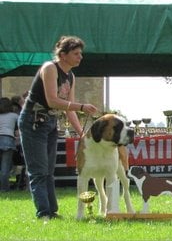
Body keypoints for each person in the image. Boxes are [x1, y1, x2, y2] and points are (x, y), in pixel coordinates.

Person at [18, 36, 98, 219]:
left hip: (51, 122)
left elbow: (68, 107)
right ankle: (44, 213)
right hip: (33, 121)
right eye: (76, 53)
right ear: (63, 55)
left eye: (80, 54)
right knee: (38, 170)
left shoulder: (70, 75)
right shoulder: (49, 68)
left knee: (48, 170)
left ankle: (52, 211)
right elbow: (52, 100)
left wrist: (81, 134)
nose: (80, 57)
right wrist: (82, 107)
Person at [0, 97, 19, 192]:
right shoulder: (14, 115)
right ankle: (4, 188)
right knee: (5, 167)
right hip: (7, 139)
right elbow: (20, 127)